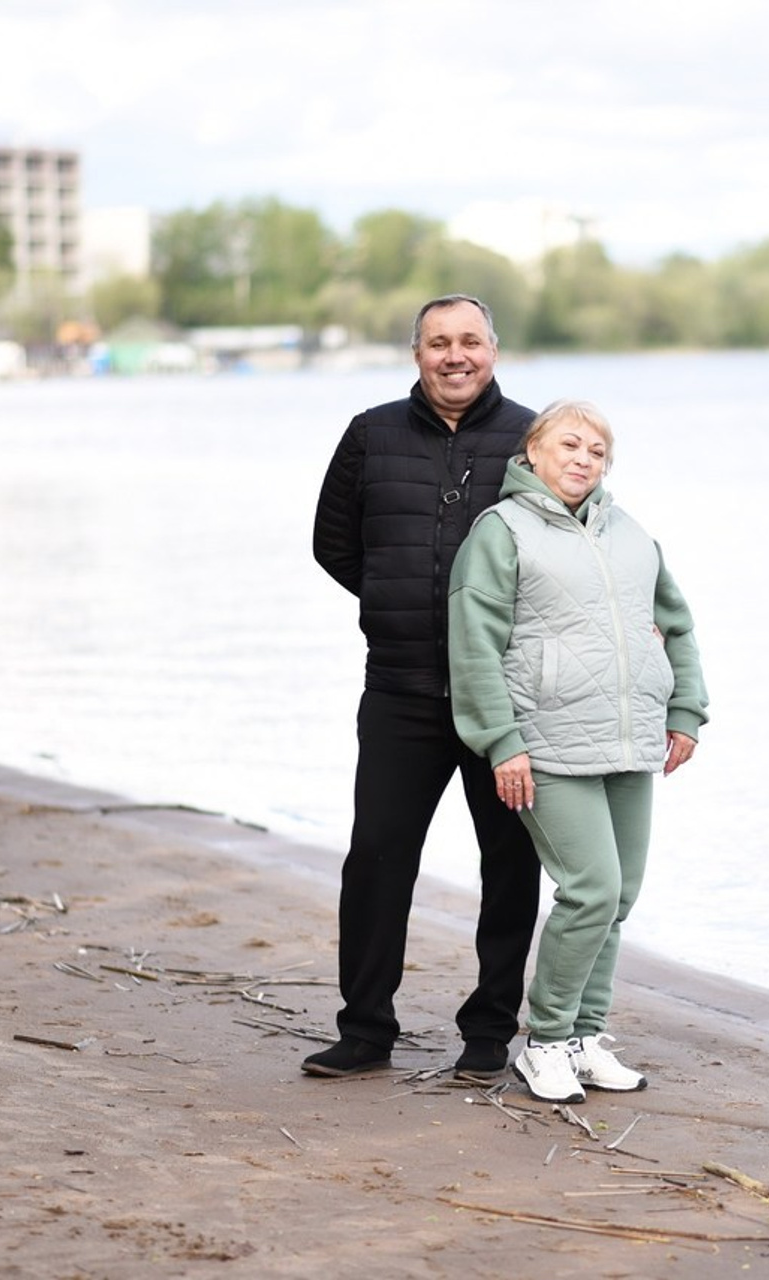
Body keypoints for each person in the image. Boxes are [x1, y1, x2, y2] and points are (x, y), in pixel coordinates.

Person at [304, 294, 542, 1079]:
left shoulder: (531, 439)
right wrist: (393, 599)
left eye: (469, 341)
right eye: (438, 342)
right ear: (416, 355)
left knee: (509, 864)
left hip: (504, 702)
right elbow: (332, 544)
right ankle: (366, 1030)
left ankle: (488, 1033)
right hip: (399, 689)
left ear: (494, 351)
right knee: (376, 856)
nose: (455, 356)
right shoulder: (370, 434)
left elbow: (570, 551)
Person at [447, 399, 708, 1103]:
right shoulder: (501, 531)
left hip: (628, 741)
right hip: (547, 744)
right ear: (532, 452)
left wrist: (686, 708)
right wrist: (502, 743)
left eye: (597, 451)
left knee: (618, 896)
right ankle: (547, 1043)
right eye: (569, 444)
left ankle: (587, 1037)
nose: (583, 459)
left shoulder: (631, 533)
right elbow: (473, 646)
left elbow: (675, 623)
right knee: (589, 888)